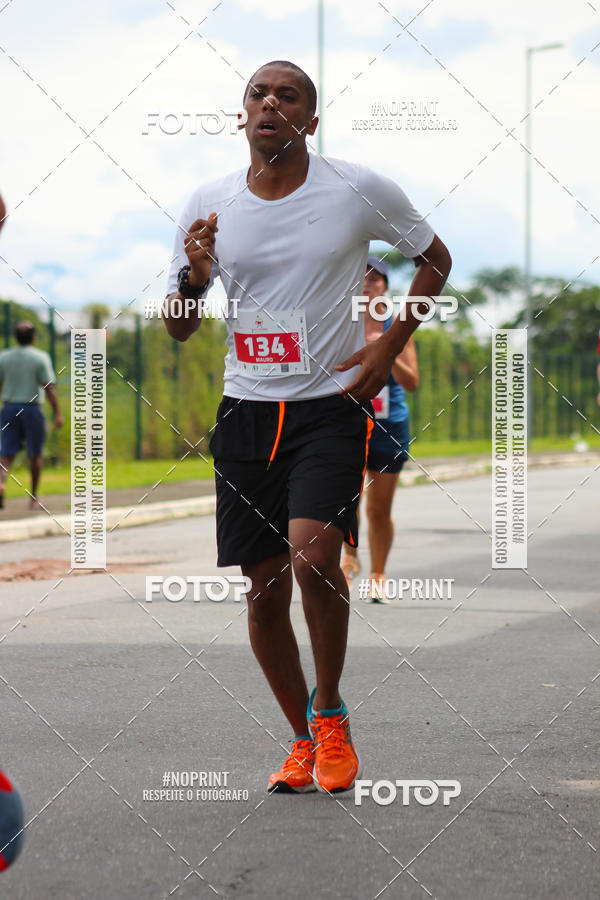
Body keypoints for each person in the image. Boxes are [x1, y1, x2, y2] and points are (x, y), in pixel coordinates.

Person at [164, 59, 451, 793]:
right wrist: (193, 279)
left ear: (309, 121)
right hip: (246, 409)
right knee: (263, 588)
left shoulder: (356, 190)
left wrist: (388, 346)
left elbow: (435, 258)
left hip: (329, 405)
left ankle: (330, 710)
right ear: (243, 115)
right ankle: (301, 737)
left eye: (286, 95)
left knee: (313, 556)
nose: (269, 104)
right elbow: (178, 330)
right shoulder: (209, 202)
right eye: (257, 94)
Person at [341, 256, 418, 601]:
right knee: (346, 501)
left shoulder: (396, 327)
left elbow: (411, 381)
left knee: (378, 509)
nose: (369, 283)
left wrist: (389, 348)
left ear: (386, 288)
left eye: (376, 279)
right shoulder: (343, 324)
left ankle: (378, 575)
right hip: (348, 421)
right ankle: (349, 560)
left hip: (389, 425)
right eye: (363, 277)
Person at [0, 322, 63, 509]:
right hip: (31, 409)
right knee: (35, 454)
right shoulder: (40, 357)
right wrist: (57, 413)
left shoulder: (4, 357)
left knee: (5, 455)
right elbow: (49, 387)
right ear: (34, 337)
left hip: (9, 408)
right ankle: (34, 497)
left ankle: (1, 483)